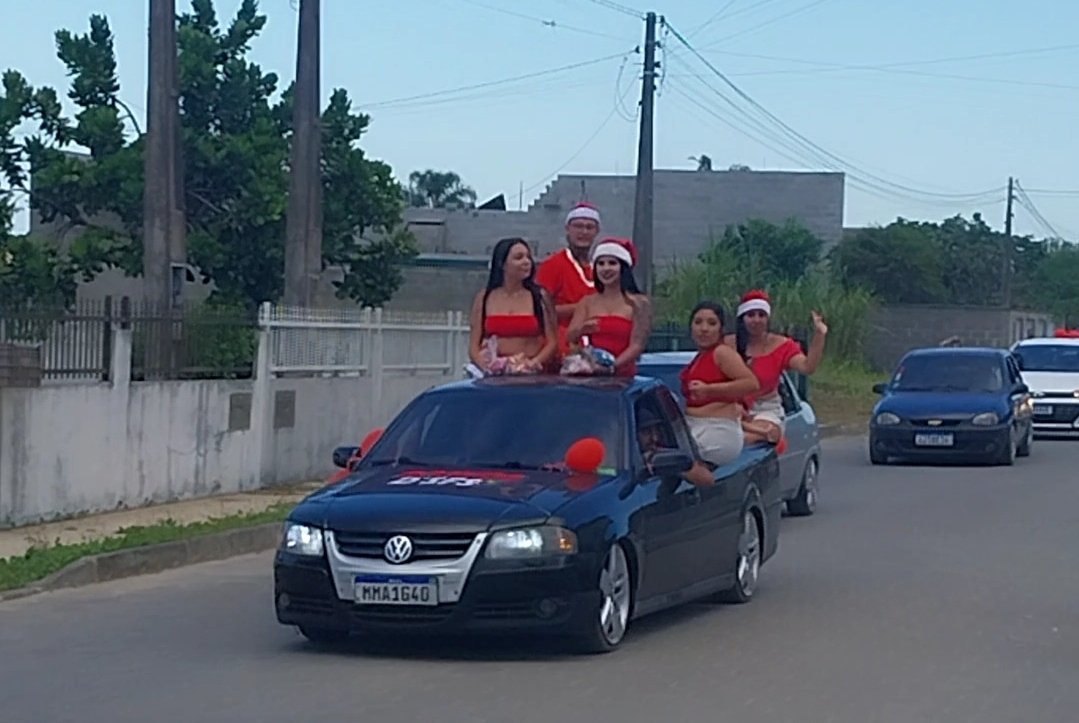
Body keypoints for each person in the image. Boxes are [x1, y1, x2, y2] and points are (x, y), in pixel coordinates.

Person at [725, 289, 828, 445]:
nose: (756, 320)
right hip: (728, 407)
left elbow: (807, 367)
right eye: (750, 315)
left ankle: (758, 432)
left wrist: (819, 335)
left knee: (743, 439)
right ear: (742, 318)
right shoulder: (725, 345)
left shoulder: (781, 345)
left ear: (768, 319)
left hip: (765, 408)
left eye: (761, 315)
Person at [680, 301, 761, 467]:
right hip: (695, 427)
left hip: (716, 432)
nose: (704, 329)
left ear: (721, 329)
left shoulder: (722, 353)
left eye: (711, 323)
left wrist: (709, 390)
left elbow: (751, 383)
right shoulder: (699, 357)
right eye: (698, 322)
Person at [467, 237, 558, 376]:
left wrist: (533, 363)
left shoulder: (539, 297)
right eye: (518, 258)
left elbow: (552, 342)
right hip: (494, 374)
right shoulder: (484, 297)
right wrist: (485, 366)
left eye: (528, 257)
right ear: (501, 264)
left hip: (530, 373)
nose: (526, 262)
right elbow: (473, 345)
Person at [565, 237, 652, 377]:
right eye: (600, 263)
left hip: (624, 376)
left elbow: (637, 345)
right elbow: (570, 338)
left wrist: (612, 366)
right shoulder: (587, 302)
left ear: (623, 267)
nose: (606, 268)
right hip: (593, 374)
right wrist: (581, 330)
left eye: (612, 263)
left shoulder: (639, 303)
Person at [535, 202, 602, 359]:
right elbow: (538, 310)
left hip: (597, 349)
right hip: (561, 350)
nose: (583, 231)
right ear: (568, 229)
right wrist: (583, 308)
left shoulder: (601, 268)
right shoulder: (553, 265)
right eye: (578, 226)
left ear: (596, 231)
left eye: (589, 227)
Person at [635, 405, 716, 488]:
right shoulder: (630, 467)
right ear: (635, 437)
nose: (655, 438)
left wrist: (671, 465)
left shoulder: (665, 454)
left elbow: (707, 479)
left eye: (656, 430)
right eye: (646, 432)